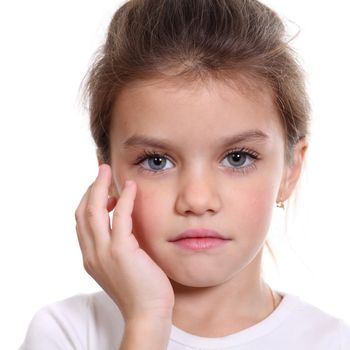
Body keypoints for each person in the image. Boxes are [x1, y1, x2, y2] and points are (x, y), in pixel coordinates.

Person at [19, 0, 350, 349]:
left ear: (290, 170)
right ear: (108, 172)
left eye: (237, 158)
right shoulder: (67, 333)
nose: (197, 199)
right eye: (157, 161)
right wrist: (146, 320)